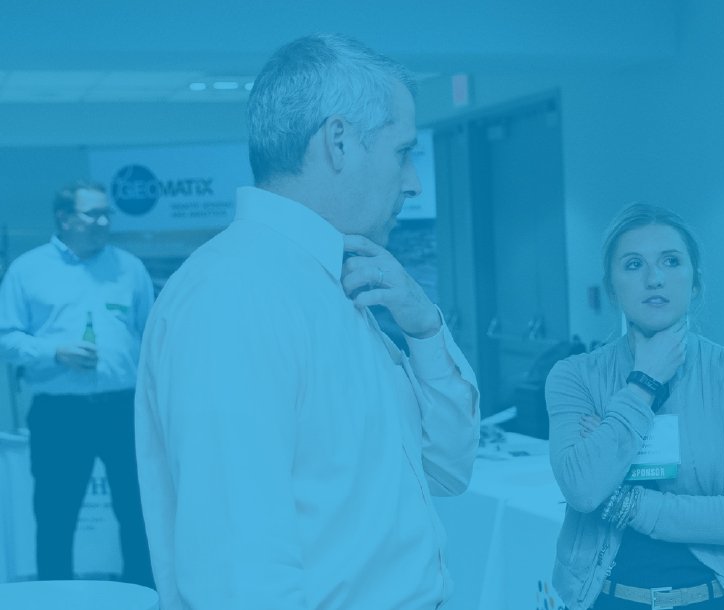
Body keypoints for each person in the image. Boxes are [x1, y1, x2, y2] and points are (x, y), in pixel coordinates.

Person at [134, 34, 480, 609]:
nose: (413, 181)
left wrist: (424, 328)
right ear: (338, 142)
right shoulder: (235, 296)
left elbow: (447, 469)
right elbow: (237, 582)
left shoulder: (332, 284)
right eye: (402, 152)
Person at [546, 204, 724, 610]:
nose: (654, 278)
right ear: (612, 288)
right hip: (609, 600)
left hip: (713, 599)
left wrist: (622, 501)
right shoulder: (574, 377)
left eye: (671, 261)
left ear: (695, 281)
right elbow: (583, 490)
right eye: (634, 264)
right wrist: (643, 382)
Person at [0, 181, 154, 586]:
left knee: (138, 512)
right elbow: (6, 337)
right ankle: (55, 599)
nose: (103, 222)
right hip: (59, 413)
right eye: (93, 214)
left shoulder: (130, 268)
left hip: (123, 408)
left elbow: (150, 336)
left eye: (107, 213)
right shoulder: (27, 270)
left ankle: (143, 595)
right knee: (55, 516)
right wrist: (55, 352)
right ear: (64, 218)